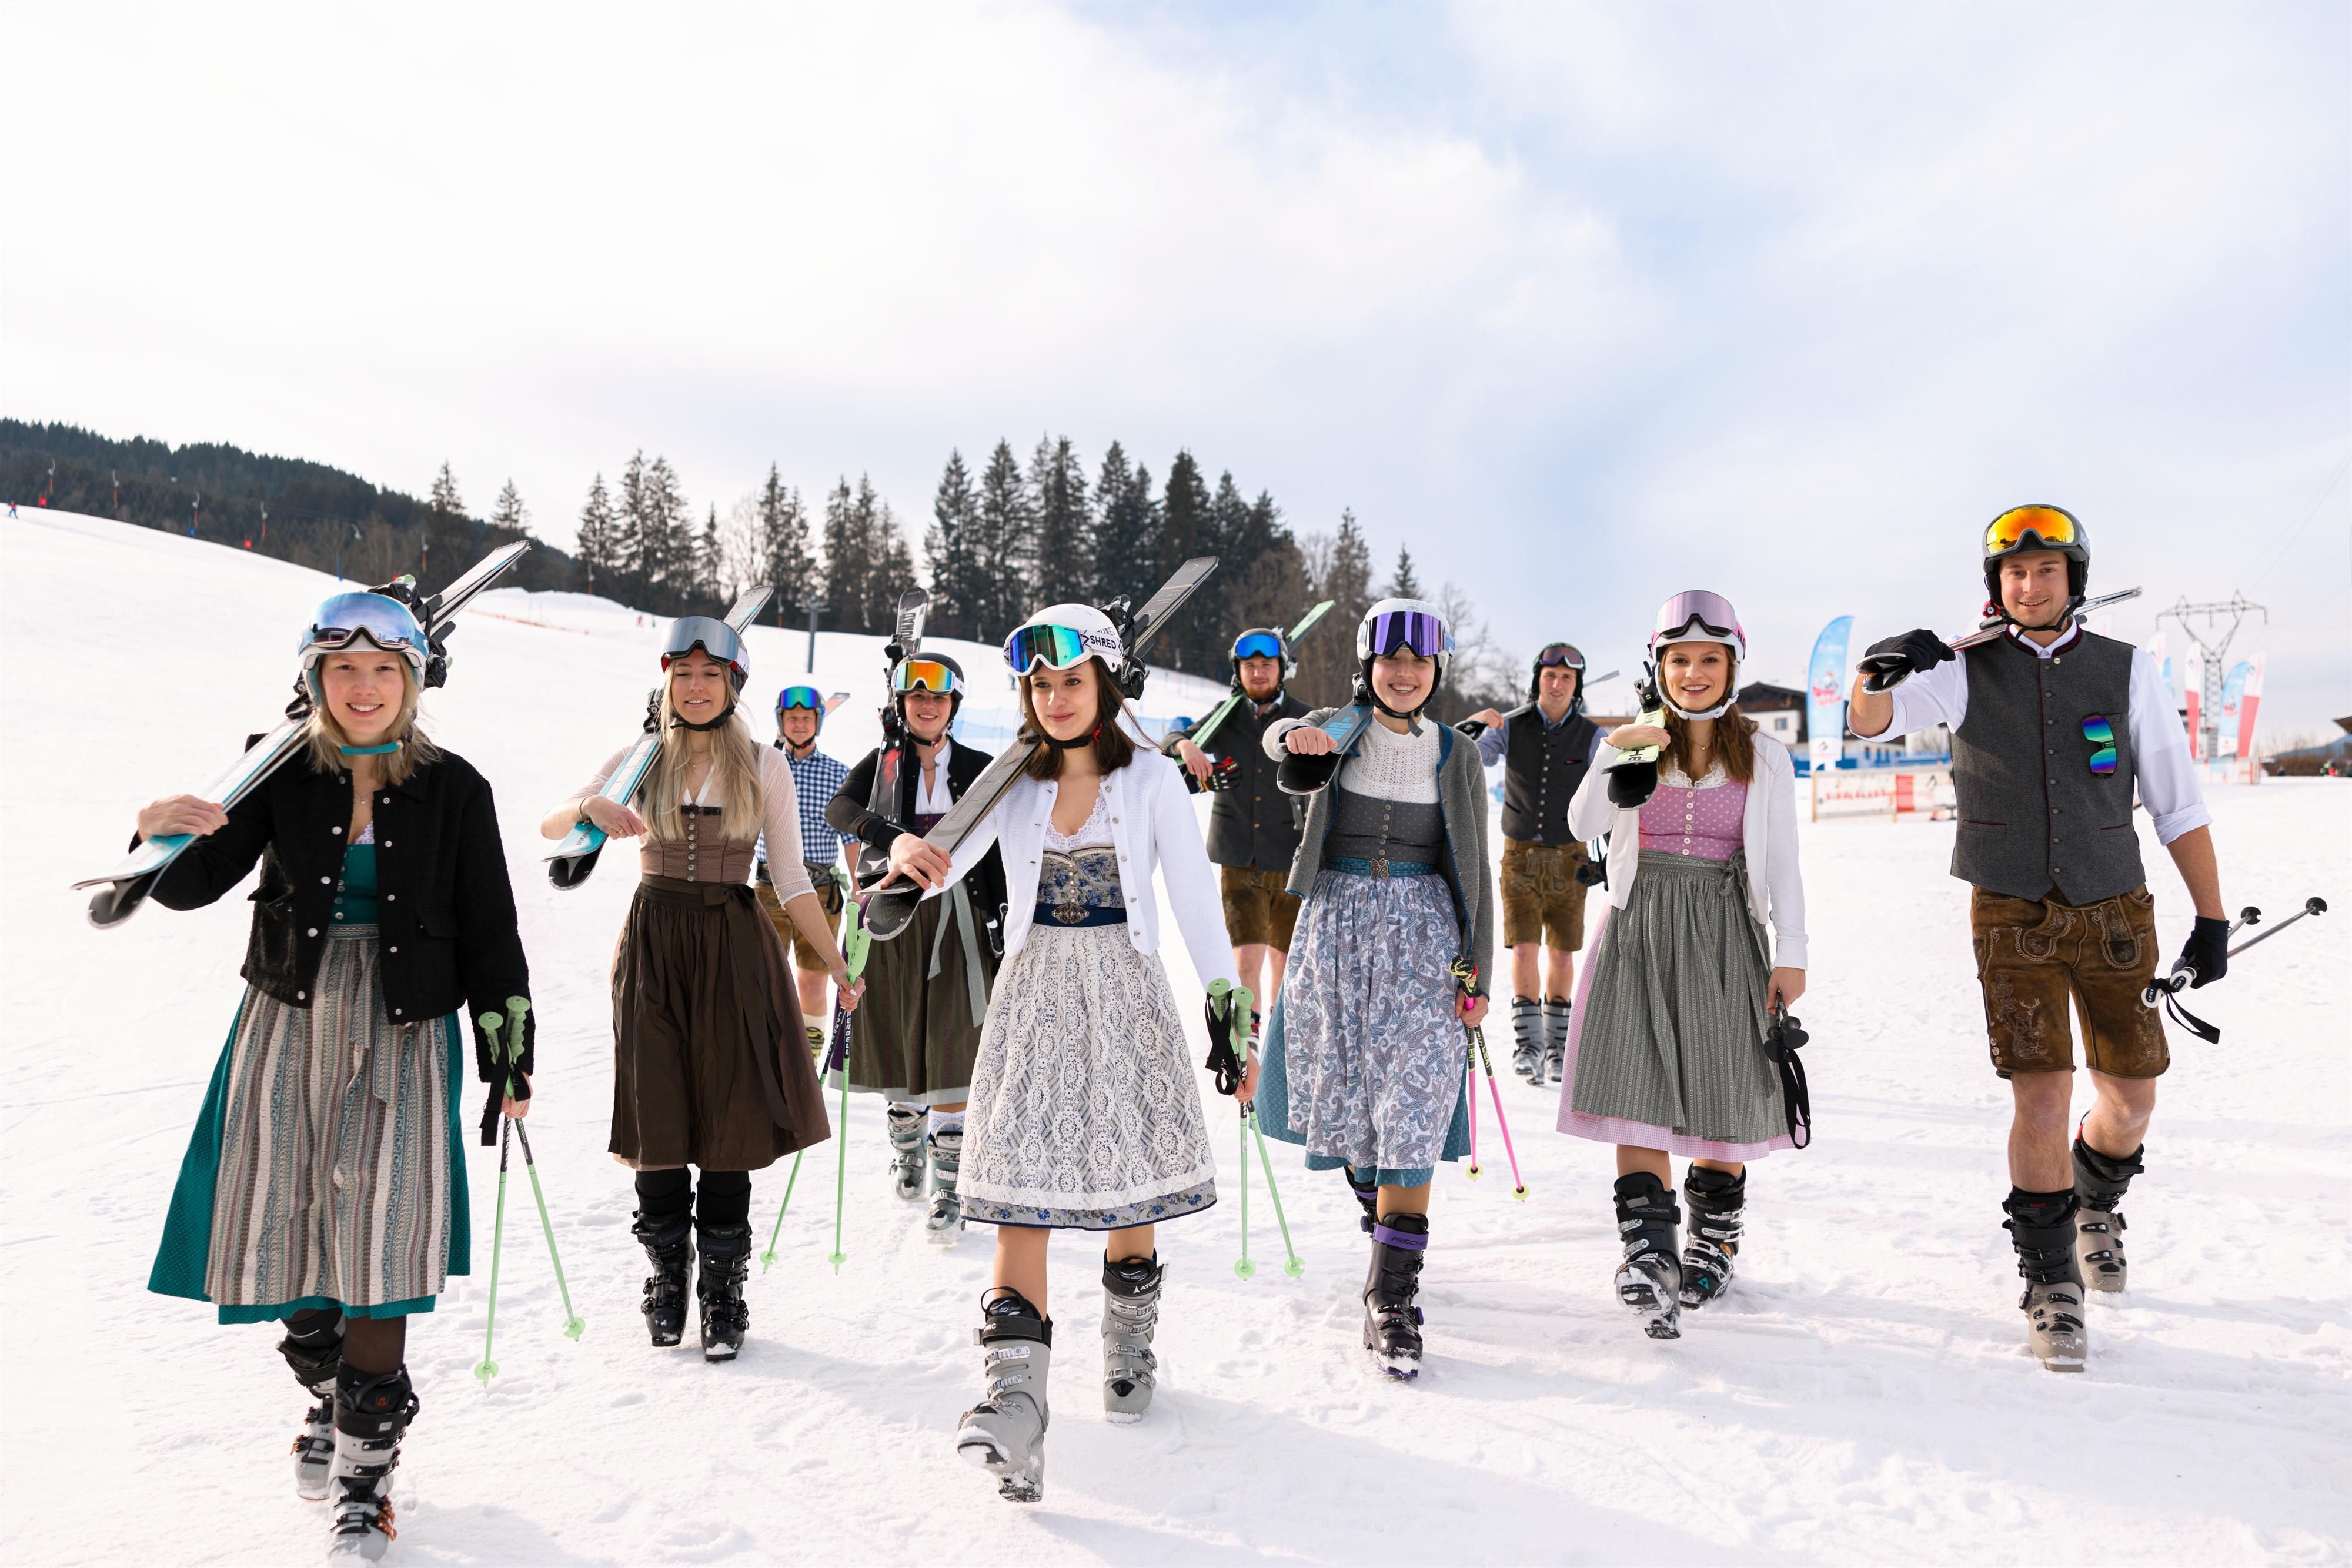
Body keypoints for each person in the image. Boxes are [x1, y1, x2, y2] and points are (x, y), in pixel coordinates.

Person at [142, 587, 533, 1561]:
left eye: (383, 670)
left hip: (405, 1030)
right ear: (315, 677)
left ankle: (364, 1478)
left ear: (412, 680)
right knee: (285, 1221)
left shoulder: (455, 786)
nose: (364, 686)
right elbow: (191, 886)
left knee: (381, 1242)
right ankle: (328, 1389)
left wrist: (509, 1056)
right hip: (289, 1019)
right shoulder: (277, 767)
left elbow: (491, 929)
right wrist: (156, 829)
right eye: (344, 668)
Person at [881, 604, 1244, 1503]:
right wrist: (903, 858)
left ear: (1107, 683)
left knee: (1129, 1175)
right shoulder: (1014, 778)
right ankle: (1014, 1406)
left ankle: (1127, 1342)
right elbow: (947, 857)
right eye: (1039, 684)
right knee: (1018, 1180)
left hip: (1124, 984)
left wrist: (1226, 1000)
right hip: (1034, 990)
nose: (1054, 697)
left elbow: (1194, 895)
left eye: (1072, 681)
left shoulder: (1152, 776)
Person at [1849, 505, 2223, 1372]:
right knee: (2043, 1097)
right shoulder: (1961, 668)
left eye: (2046, 569)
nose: (2029, 585)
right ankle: (2051, 1280)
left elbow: (2178, 803)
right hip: (2011, 911)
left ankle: (2096, 1198)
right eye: (2014, 573)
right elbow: (1869, 722)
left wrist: (2209, 916)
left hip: (2113, 908)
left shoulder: (2127, 670)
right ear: (1997, 585)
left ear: (2073, 579)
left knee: (2131, 1099)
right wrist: (1875, 672)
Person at [542, 616, 856, 1362]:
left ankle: (721, 1286)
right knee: (655, 1113)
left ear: (733, 685)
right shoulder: (639, 758)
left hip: (731, 944)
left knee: (727, 1115)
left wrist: (837, 965)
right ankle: (666, 1274)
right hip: (653, 944)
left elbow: (790, 878)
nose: (694, 686)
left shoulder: (763, 765)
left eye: (710, 674)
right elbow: (551, 826)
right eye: (682, 673)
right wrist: (589, 807)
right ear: (666, 682)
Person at [1553, 592, 1808, 1342]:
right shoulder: (1634, 742)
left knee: (1722, 1090)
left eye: (1708, 660)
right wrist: (1615, 752)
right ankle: (1649, 1254)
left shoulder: (1764, 755)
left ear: (1731, 666)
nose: (1693, 673)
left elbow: (1784, 863)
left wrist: (1791, 952)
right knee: (1636, 1085)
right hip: (1639, 927)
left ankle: (1712, 1241)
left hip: (1725, 931)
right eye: (1678, 660)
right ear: (1657, 668)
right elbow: (1582, 824)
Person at [1254, 598, 1495, 1379]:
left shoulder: (1456, 753)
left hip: (1426, 940)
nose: (1404, 673)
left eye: (1419, 662)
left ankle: (1391, 1298)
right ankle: (1381, 1212)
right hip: (1337, 932)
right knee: (1357, 1107)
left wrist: (1478, 970)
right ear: (1369, 665)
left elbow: (1477, 868)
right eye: (1391, 660)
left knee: (1414, 1109)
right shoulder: (1339, 728)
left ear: (1435, 672)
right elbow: (1281, 741)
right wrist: (1296, 738)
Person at [826, 653, 1006, 1236]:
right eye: (916, 696)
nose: (928, 705)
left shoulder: (977, 766)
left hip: (959, 919)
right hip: (890, 914)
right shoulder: (884, 764)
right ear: (901, 704)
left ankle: (950, 1182)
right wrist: (890, 835)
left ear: (954, 705)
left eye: (939, 697)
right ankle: (907, 1145)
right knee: (899, 1038)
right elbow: (840, 808)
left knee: (953, 1042)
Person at [1467, 643, 1607, 1086]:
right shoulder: (1512, 726)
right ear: (1538, 680)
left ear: (1576, 685)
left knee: (1562, 953)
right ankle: (1528, 1046)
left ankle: (1557, 1050)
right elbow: (1474, 755)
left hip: (1570, 856)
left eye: (1567, 677)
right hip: (1520, 854)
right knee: (1525, 948)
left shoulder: (1592, 736)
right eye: (1550, 676)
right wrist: (1474, 726)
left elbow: (1612, 783)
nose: (1557, 684)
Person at [1174, 627, 1312, 1024]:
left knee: (1284, 960)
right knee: (1246, 958)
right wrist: (1186, 745)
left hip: (1290, 855)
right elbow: (1175, 738)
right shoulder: (1226, 714)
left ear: (1282, 669)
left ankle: (1278, 1045)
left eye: (1266, 664)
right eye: (1249, 665)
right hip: (1238, 856)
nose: (1258, 672)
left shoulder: (1304, 717)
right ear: (1238, 671)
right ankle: (1245, 1044)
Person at [757, 684, 851, 1055]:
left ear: (818, 723)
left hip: (820, 892)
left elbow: (850, 837)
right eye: (792, 718)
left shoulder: (837, 773)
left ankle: (807, 1060)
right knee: (763, 978)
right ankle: (765, 1054)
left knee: (813, 980)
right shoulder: (762, 767)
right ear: (781, 722)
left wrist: (860, 889)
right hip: (768, 889)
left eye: (806, 718)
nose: (799, 724)